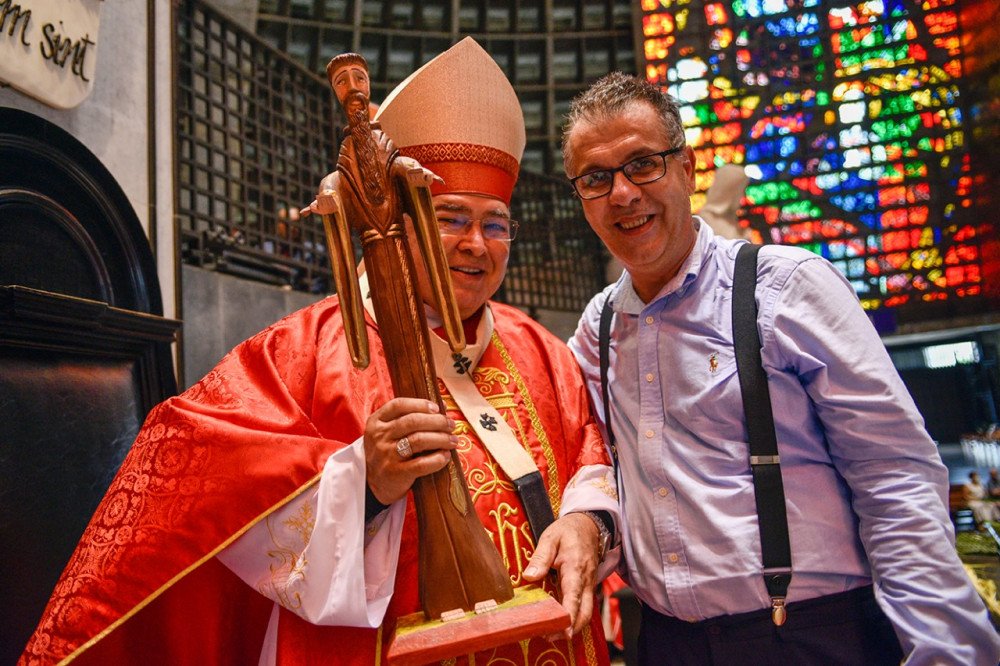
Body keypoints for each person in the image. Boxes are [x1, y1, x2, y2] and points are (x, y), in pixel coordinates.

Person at [21, 39, 617, 666]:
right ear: (403, 220)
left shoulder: (542, 351)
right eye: (450, 218)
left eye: (495, 223)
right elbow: (199, 480)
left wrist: (588, 523)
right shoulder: (303, 353)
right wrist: (364, 484)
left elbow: (592, 462)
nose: (476, 243)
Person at [563, 71, 1000, 665]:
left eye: (643, 164)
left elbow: (892, 475)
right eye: (596, 178)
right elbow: (590, 463)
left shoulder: (788, 286)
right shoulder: (598, 327)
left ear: (687, 169)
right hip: (667, 644)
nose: (622, 193)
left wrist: (948, 652)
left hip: (806, 637)